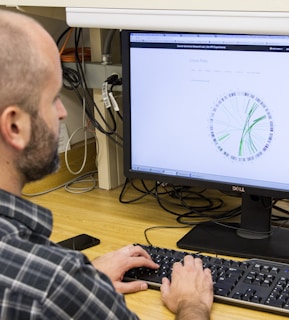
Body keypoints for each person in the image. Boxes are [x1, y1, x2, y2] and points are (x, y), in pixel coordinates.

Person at [0, 9, 213, 320]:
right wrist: (191, 303)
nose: (62, 112)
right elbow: (50, 290)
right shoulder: (54, 288)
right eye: (53, 98)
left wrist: (83, 278)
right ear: (14, 126)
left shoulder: (52, 283)